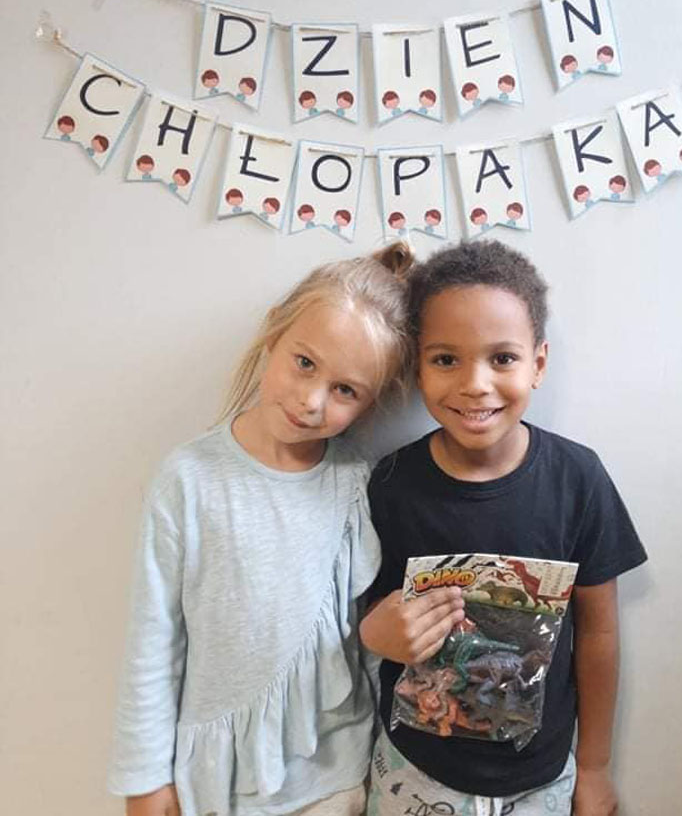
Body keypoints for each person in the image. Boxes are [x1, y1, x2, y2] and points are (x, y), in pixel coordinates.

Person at [108, 243, 415, 816]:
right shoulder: (189, 478)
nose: (311, 401)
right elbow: (154, 640)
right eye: (305, 363)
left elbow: (364, 638)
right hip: (217, 782)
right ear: (274, 332)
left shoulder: (355, 484)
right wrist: (145, 780)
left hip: (335, 780)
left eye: (345, 390)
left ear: (370, 404)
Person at [360, 241, 646, 816]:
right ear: (417, 364)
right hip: (414, 771)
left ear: (538, 364)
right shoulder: (390, 483)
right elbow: (365, 610)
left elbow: (598, 632)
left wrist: (594, 767)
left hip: (539, 778)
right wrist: (375, 633)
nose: (475, 384)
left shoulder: (578, 479)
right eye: (446, 359)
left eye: (503, 358)